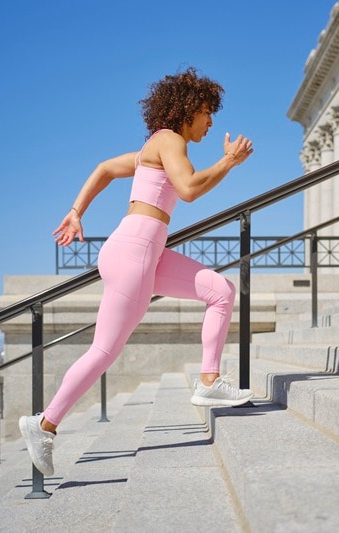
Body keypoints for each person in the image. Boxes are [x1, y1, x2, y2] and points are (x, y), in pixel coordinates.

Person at [19, 67, 254, 476]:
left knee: (220, 290)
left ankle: (209, 381)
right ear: (188, 109)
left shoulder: (156, 146)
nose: (211, 121)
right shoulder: (170, 140)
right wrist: (229, 162)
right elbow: (191, 189)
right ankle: (43, 425)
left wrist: (76, 212)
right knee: (104, 350)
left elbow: (105, 168)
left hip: (145, 251)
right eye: (207, 112)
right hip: (135, 252)